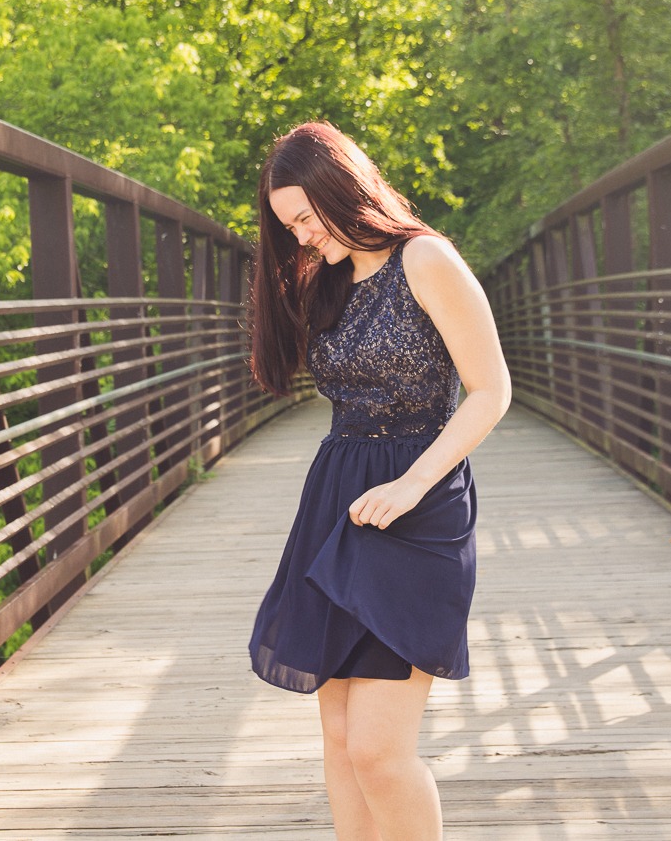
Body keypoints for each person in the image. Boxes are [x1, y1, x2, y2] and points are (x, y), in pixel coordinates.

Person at [246, 121, 511, 841]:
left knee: (378, 751)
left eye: (304, 217)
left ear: (341, 189)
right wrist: (290, 272)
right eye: (288, 226)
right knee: (339, 743)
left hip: (418, 502)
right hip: (337, 497)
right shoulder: (324, 278)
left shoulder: (425, 259)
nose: (299, 236)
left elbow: (491, 390)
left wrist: (413, 486)